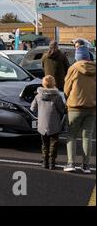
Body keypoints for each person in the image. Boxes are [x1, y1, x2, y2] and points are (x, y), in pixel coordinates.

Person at [63, 45, 96, 174]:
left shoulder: (73, 68)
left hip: (75, 106)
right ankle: (86, 166)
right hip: (92, 107)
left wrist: (68, 97)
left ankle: (71, 163)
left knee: (71, 135)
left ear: (77, 57)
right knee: (87, 136)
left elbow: (66, 88)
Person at [30, 75, 65, 170]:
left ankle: (44, 161)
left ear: (43, 84)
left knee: (44, 144)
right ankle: (52, 163)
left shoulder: (38, 96)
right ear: (54, 83)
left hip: (42, 124)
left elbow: (32, 108)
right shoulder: (57, 97)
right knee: (54, 143)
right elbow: (62, 109)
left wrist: (40, 113)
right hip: (54, 124)